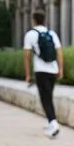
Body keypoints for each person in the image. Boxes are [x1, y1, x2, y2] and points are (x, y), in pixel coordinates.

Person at [23, 9, 64, 138]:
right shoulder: (51, 33)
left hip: (41, 71)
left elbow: (27, 56)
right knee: (49, 97)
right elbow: (59, 52)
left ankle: (53, 124)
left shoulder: (30, 34)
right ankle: (50, 122)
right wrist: (60, 69)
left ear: (33, 20)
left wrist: (28, 74)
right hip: (53, 70)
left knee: (45, 99)